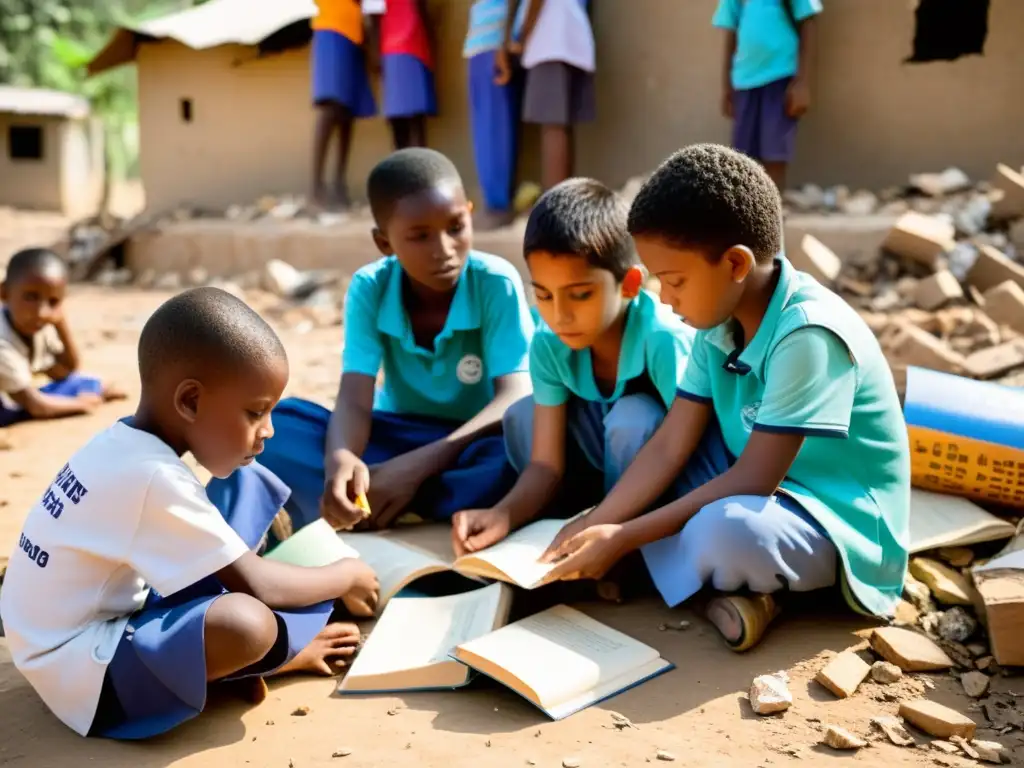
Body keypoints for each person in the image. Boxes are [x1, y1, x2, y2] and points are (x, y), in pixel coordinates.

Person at [539, 145, 910, 652]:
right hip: (753, 485)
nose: (665, 299)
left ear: (736, 263)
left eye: (674, 281)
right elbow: (671, 443)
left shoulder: (808, 334)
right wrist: (600, 519)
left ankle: (748, 590)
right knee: (640, 435)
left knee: (726, 532)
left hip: (829, 518)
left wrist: (625, 536)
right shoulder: (716, 324)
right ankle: (721, 588)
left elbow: (755, 479)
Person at [0, 288, 380, 739]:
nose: (269, 430)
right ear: (191, 402)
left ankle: (246, 642)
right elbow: (261, 586)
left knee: (247, 478)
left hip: (56, 633)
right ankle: (268, 658)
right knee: (248, 623)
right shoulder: (152, 479)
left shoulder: (122, 444)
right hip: (85, 677)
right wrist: (346, 574)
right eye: (255, 412)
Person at [223, 149, 535, 538]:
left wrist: (416, 468)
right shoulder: (370, 288)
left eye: (456, 226)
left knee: (524, 448)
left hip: (474, 440)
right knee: (281, 429)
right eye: (419, 236)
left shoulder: (495, 281)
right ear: (384, 242)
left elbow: (513, 399)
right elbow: (355, 399)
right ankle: (395, 501)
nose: (444, 248)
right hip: (397, 438)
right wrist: (341, 460)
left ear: (470, 213)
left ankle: (392, 499)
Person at [451, 178, 694, 558]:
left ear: (629, 283)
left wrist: (602, 526)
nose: (560, 315)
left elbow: (684, 447)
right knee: (522, 415)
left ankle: (622, 547)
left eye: (580, 294)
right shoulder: (549, 342)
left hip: (672, 480)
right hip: (598, 473)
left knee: (632, 418)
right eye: (544, 295)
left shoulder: (663, 339)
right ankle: (573, 525)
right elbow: (545, 464)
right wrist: (503, 514)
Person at [1, 248, 125, 427]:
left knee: (82, 381)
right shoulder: (3, 341)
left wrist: (60, 323)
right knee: (23, 407)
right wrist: (82, 405)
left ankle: (95, 389)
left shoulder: (35, 327)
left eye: (53, 302)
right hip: (10, 404)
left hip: (19, 393)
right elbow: (36, 406)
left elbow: (66, 370)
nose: (42, 312)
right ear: (4, 293)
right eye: (30, 297)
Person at [714, 0, 821, 190]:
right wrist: (726, 86)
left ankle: (773, 212)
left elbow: (809, 24)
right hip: (744, 81)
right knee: (742, 157)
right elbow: (731, 32)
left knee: (775, 154)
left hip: (780, 77)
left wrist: (802, 83)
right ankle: (746, 214)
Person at [506, 0, 596, 190]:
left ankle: (553, 201)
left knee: (552, 126)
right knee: (561, 127)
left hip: (550, 40)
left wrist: (521, 37)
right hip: (572, 37)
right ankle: (567, 197)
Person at [464, 0, 527, 229]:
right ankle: (493, 202)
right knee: (484, 129)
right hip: (480, 43)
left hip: (495, 42)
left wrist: (505, 40)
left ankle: (499, 205)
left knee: (495, 127)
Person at [311, 0, 377, 210]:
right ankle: (316, 188)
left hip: (354, 33)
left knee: (347, 111)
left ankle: (339, 185)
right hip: (332, 28)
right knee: (331, 108)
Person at [366, 0, 436, 150]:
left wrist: (374, 50)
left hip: (399, 49)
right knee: (413, 122)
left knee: (404, 122)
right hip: (407, 47)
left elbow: (373, 18)